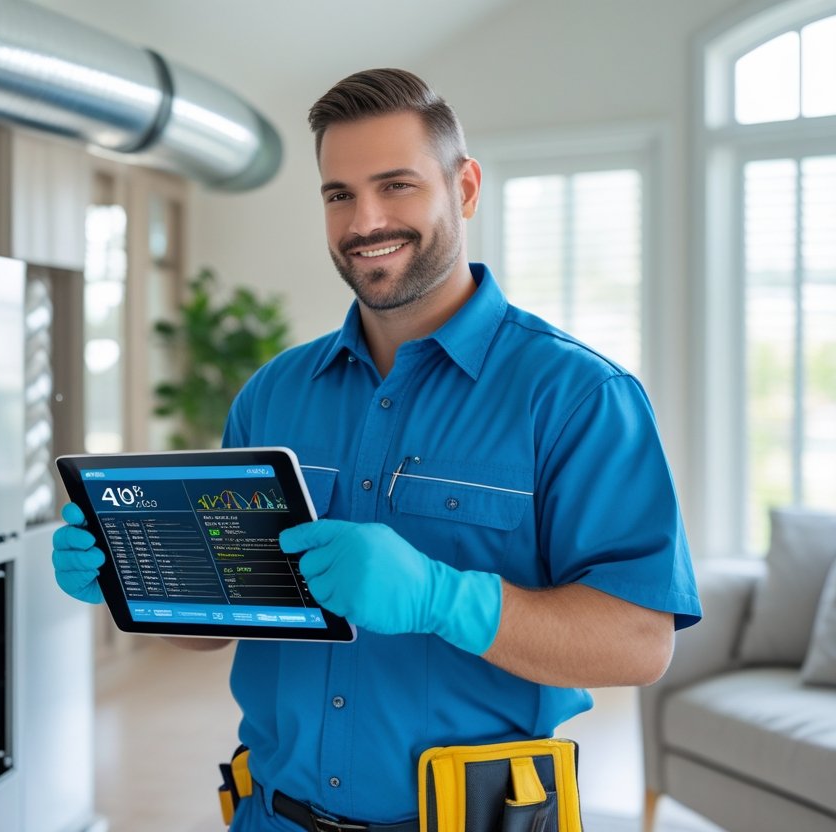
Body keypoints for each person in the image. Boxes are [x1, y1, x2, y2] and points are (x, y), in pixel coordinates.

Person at [53, 68, 701, 832]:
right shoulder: (271, 395)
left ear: (464, 188)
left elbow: (638, 642)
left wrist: (440, 597)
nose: (365, 220)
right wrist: (137, 576)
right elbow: (221, 622)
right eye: (339, 194)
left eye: (396, 186)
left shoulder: (579, 397)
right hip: (270, 817)